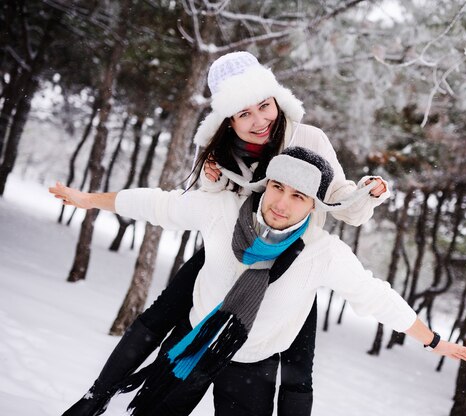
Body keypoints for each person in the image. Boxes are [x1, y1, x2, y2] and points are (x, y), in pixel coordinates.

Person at [58, 51, 390, 416]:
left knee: (297, 365)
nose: (259, 120)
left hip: (291, 263)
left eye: (264, 106)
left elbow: (337, 196)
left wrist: (365, 194)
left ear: (276, 100)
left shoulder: (308, 139)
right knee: (163, 314)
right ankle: (96, 398)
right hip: (233, 253)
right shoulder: (219, 148)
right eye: (244, 113)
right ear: (228, 119)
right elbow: (204, 205)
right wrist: (210, 179)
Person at [50, 146, 466, 416]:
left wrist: (433, 340)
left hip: (252, 369)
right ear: (264, 185)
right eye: (277, 187)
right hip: (192, 348)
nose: (282, 203)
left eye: (298, 196)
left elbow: (375, 297)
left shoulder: (320, 253)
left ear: (314, 206)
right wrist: (88, 200)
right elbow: (158, 205)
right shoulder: (221, 214)